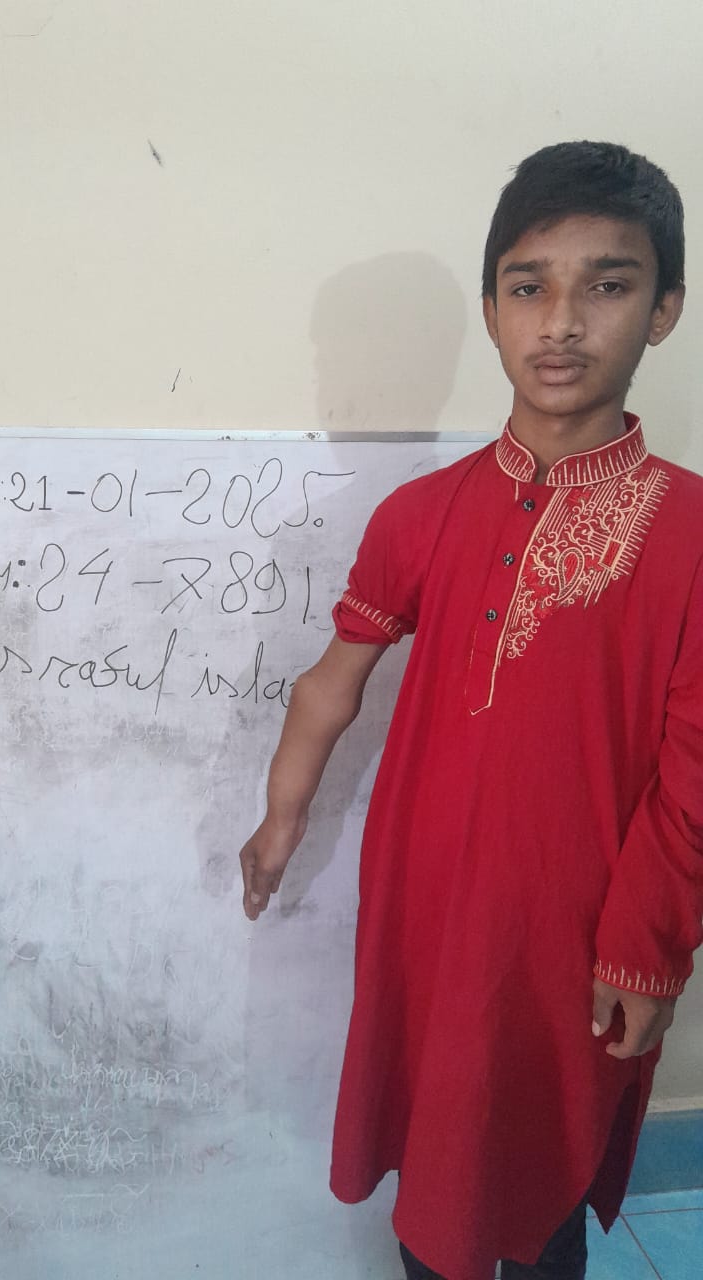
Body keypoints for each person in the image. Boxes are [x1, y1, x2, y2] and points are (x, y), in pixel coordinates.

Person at [238, 141, 703, 1280]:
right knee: (432, 1161)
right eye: (527, 286)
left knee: (542, 1181)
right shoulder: (421, 513)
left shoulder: (692, 531)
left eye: (608, 284)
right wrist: (280, 819)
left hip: (574, 931)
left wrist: (646, 949)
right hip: (425, 909)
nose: (562, 322)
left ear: (664, 311)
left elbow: (696, 774)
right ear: (493, 313)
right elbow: (332, 681)